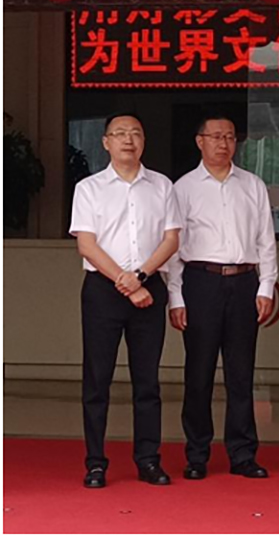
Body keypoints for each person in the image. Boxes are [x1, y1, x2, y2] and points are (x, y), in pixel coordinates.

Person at [70, 112, 181, 489]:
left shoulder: (162, 186)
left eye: (135, 133)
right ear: (106, 142)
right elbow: (86, 245)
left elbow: (171, 240)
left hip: (150, 287)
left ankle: (148, 460)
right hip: (103, 290)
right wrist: (126, 281)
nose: (128, 140)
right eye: (120, 134)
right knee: (97, 380)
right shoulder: (89, 188)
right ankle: (95, 463)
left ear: (144, 141)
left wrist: (141, 277)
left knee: (147, 381)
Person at [167, 113, 278, 480]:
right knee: (198, 373)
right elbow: (173, 246)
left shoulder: (252, 184)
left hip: (244, 281)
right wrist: (176, 296)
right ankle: (197, 454)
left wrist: (266, 286)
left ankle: (243, 454)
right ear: (200, 141)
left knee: (241, 373)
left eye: (230, 137)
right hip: (201, 282)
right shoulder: (183, 188)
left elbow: (266, 240)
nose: (223, 143)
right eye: (215, 136)